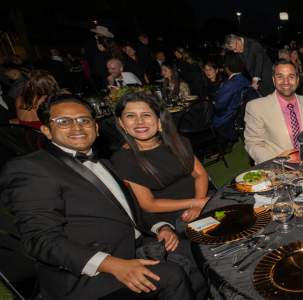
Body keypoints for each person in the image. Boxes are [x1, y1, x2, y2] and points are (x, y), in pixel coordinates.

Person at [0, 93, 198, 299]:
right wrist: (113, 265)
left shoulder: (105, 163)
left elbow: (130, 210)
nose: (77, 127)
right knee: (170, 275)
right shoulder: (30, 168)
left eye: (84, 120)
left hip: (133, 248)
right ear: (46, 131)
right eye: (64, 121)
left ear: (96, 128)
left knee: (199, 250)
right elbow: (41, 240)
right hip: (87, 278)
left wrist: (161, 227)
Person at [110, 92, 210, 233]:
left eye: (146, 114)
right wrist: (195, 203)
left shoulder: (177, 141)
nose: (139, 121)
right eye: (130, 116)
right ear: (121, 122)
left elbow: (200, 174)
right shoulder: (123, 160)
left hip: (201, 199)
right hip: (174, 215)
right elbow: (149, 205)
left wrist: (198, 205)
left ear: (158, 120)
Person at [244, 59, 303, 164]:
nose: (286, 81)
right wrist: (278, 164)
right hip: (277, 169)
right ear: (274, 80)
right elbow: (254, 144)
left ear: (297, 80)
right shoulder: (256, 107)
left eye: (291, 76)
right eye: (280, 76)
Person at [214, 55, 252, 141]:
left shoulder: (228, 85)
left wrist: (213, 104)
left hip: (230, 118)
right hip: (243, 115)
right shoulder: (246, 80)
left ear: (227, 68)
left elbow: (220, 107)